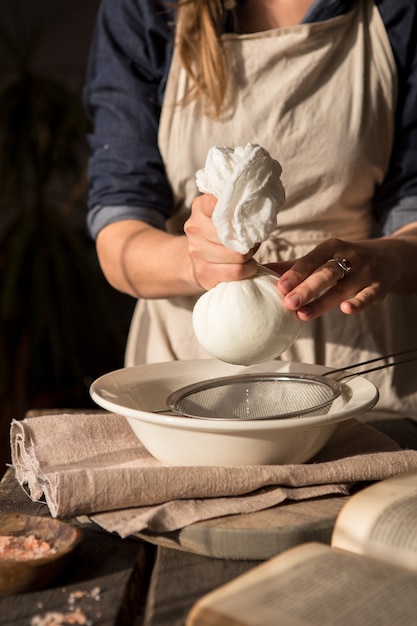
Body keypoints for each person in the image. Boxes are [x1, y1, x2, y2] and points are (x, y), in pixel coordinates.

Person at [84, 0, 417, 412]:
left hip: (357, 369)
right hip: (187, 370)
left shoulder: (394, 8)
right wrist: (194, 262)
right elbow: (119, 232)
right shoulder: (147, 7)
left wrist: (385, 259)